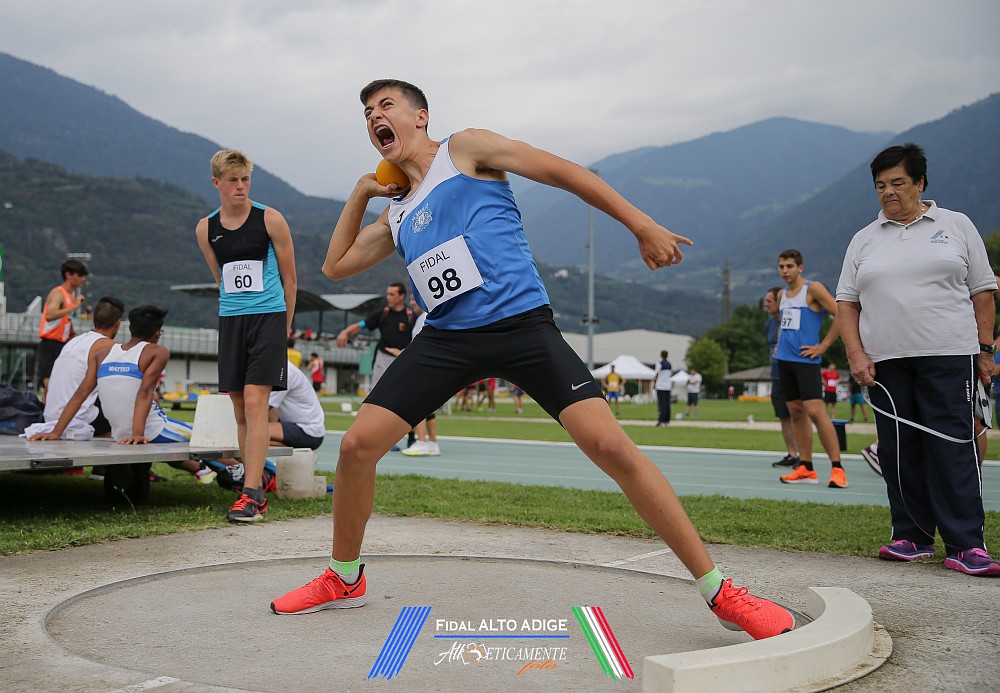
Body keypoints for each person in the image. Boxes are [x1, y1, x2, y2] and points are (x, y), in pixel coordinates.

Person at [271, 79, 794, 639]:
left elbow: (564, 172)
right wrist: (361, 192)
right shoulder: (395, 214)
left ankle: (720, 592)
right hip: (447, 339)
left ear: (420, 116)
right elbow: (336, 265)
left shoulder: (465, 149)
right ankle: (345, 578)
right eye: (367, 113)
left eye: (385, 105)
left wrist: (640, 224)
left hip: (521, 327)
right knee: (356, 447)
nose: (374, 116)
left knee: (612, 447)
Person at [837, 142, 999, 576]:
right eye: (880, 185)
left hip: (949, 354)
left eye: (898, 183)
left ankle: (967, 545)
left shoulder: (957, 225)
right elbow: (847, 302)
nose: (888, 192)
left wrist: (985, 350)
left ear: (920, 182)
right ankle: (912, 536)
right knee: (898, 450)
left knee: (953, 447)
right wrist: (855, 353)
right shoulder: (864, 239)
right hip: (886, 362)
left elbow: (983, 292)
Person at [195, 149, 297, 522]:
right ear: (217, 183)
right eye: (233, 180)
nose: (241, 186)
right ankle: (251, 486)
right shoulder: (206, 229)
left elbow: (290, 279)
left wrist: (284, 327)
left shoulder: (270, 219)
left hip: (268, 318)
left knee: (256, 404)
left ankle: (251, 494)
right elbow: (220, 279)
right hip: (232, 321)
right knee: (239, 408)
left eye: (246, 179)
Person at [29, 305, 220, 484]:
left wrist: (56, 431)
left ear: (129, 327)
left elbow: (80, 393)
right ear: (157, 333)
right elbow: (145, 394)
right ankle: (228, 472)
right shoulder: (150, 351)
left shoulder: (94, 350)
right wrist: (137, 433)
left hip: (103, 427)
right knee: (208, 439)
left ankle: (204, 470)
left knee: (179, 437)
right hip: (144, 427)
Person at [774, 249, 848, 489]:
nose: (785, 271)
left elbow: (840, 314)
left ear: (800, 267)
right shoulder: (782, 294)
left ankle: (837, 468)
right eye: (781, 266)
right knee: (796, 412)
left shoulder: (812, 289)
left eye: (789, 266)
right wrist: (778, 345)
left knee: (816, 412)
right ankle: (806, 467)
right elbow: (785, 325)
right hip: (784, 362)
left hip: (806, 361)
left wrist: (823, 346)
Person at [24, 296, 124, 441]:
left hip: (50, 416)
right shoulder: (109, 346)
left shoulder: (73, 342)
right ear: (118, 323)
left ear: (93, 319)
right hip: (76, 418)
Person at [37, 258, 89, 400]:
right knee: (49, 383)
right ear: (68, 275)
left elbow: (66, 318)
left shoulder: (72, 295)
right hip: (49, 343)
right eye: (80, 275)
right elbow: (50, 315)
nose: (83, 279)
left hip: (62, 343)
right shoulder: (58, 293)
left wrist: (74, 334)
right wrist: (73, 307)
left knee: (60, 383)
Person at [764, 287, 800, 468]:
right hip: (777, 374)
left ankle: (804, 456)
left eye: (769, 301)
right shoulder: (770, 324)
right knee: (784, 416)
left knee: (798, 415)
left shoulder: (793, 318)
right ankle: (791, 454)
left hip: (793, 373)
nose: (766, 304)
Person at [268, 360, 326, 450]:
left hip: (309, 431)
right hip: (291, 423)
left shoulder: (283, 371)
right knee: (254, 431)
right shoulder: (278, 367)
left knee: (254, 432)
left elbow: (262, 408)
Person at [652, 350, 673, 426]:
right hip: (668, 386)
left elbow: (657, 375)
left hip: (660, 386)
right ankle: (667, 420)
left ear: (661, 355)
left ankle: (661, 420)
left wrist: (654, 383)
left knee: (661, 404)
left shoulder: (659, 364)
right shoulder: (669, 364)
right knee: (667, 404)